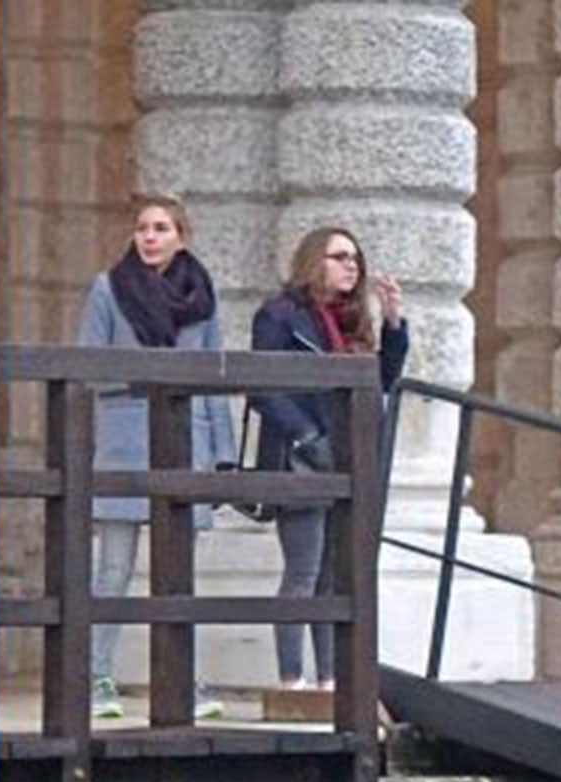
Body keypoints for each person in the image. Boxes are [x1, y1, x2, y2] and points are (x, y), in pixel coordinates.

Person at [74, 193, 236, 720]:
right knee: (113, 569)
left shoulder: (202, 294)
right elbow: (89, 366)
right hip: (125, 437)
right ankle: (95, 677)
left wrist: (223, 453)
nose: (149, 236)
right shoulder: (107, 288)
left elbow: (213, 377)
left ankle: (186, 681)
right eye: (142, 227)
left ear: (180, 236)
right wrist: (151, 376)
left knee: (179, 575)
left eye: (161, 227)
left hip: (187, 439)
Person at [249, 225, 409, 690]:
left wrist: (394, 323)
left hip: (351, 459)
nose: (351, 265)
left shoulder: (352, 319)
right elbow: (263, 386)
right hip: (302, 460)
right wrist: (306, 436)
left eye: (355, 258)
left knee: (334, 580)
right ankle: (291, 679)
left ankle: (331, 680)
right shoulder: (279, 316)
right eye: (340, 257)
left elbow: (383, 380)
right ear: (314, 261)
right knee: (303, 571)